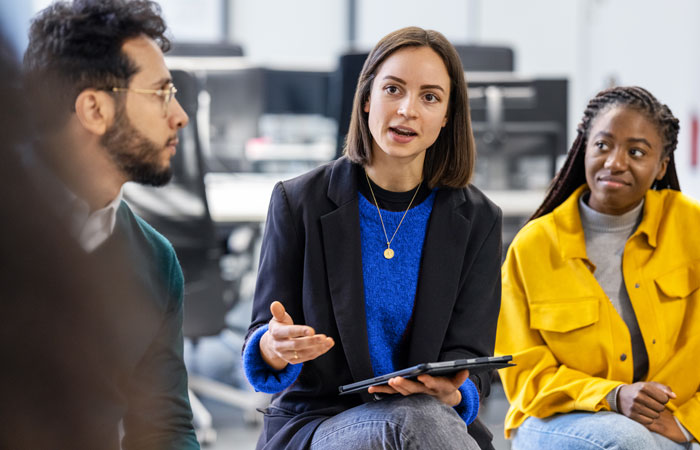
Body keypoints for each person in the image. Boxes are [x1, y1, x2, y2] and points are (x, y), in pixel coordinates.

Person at [242, 26, 503, 450]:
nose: (407, 110)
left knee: (422, 416)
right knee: (417, 420)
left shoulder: (477, 219)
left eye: (430, 97)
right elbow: (262, 342)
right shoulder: (299, 201)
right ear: (367, 99)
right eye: (393, 89)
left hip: (432, 423)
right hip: (321, 423)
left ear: (447, 116)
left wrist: (453, 392)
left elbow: (472, 360)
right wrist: (274, 346)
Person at [21, 1, 199, 448]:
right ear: (94, 109)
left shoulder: (155, 261)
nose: (180, 115)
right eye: (160, 93)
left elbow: (163, 427)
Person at [495, 86, 700, 450]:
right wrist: (613, 395)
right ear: (584, 149)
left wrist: (687, 424)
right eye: (603, 146)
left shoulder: (691, 229)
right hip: (559, 418)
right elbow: (525, 375)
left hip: (671, 421)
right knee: (628, 441)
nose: (614, 163)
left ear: (661, 167)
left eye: (636, 152)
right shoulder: (535, 246)